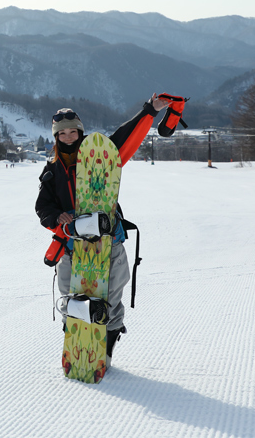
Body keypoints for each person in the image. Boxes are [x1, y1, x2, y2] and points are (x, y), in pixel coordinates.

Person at [35, 94, 169, 360]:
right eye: (63, 133)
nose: (70, 137)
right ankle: (75, 341)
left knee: (109, 297)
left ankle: (105, 346)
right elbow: (43, 207)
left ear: (81, 131)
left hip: (109, 242)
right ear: (56, 137)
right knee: (71, 297)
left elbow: (125, 136)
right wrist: (57, 218)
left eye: (74, 131)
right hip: (72, 244)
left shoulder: (102, 155)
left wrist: (149, 111)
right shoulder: (51, 171)